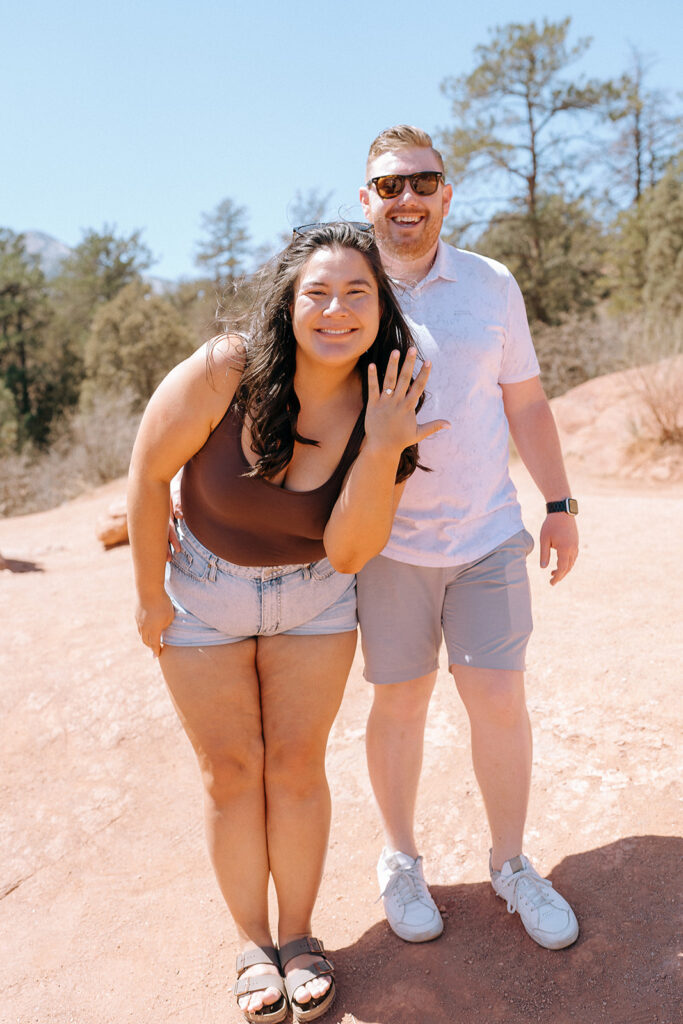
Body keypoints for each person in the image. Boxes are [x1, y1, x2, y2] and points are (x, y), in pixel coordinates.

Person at [127, 222, 447, 1023]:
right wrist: (147, 595)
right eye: (317, 292)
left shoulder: (393, 394)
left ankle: (301, 939)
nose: (336, 309)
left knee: (297, 769)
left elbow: (346, 552)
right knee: (230, 774)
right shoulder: (225, 368)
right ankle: (251, 943)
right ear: (288, 302)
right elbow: (147, 471)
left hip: (314, 597)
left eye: (357, 292)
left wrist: (379, 449)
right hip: (201, 597)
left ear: (381, 308)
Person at [356, 126, 580, 950]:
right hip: (386, 545)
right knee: (399, 704)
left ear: (446, 194)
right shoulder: (346, 288)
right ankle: (401, 861)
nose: (405, 199)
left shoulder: (491, 284)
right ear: (365, 199)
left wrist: (559, 503)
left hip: (486, 535)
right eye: (388, 186)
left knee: (497, 700)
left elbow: (524, 401)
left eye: (422, 183)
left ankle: (512, 864)